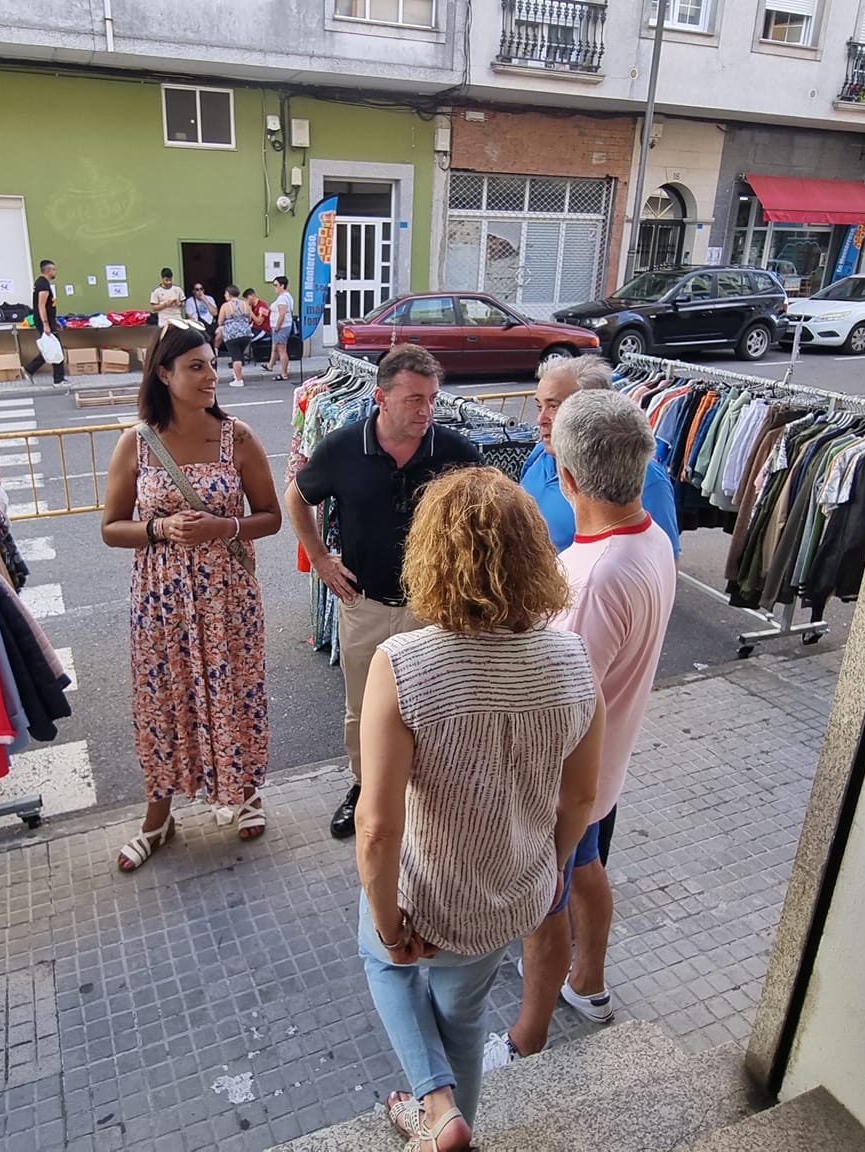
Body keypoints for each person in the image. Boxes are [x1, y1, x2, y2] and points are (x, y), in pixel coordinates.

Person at [355, 466, 605, 1152]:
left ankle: (436, 1107)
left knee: (382, 959)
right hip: (512, 893)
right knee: (462, 1019)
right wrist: (552, 866)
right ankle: (450, 1115)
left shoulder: (403, 663)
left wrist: (388, 923)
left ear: (430, 556)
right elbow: (580, 796)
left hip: (427, 893)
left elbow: (377, 829)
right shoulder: (574, 659)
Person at [486, 390, 679, 1070]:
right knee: (588, 867)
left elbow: (558, 710)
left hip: (566, 784)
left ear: (567, 479)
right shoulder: (649, 538)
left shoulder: (594, 578)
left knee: (547, 908)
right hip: (607, 771)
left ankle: (526, 1038)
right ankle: (589, 986)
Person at [99, 322, 282, 870]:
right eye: (196, 366)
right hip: (161, 602)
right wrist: (161, 531)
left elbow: (271, 517)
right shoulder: (137, 442)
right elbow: (111, 527)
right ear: (164, 374)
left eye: (212, 364)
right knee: (163, 703)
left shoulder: (238, 436)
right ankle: (159, 816)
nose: (211, 376)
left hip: (229, 599)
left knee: (234, 695)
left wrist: (221, 528)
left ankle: (245, 792)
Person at [286, 344, 482, 840]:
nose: (426, 410)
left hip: (433, 611)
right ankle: (364, 789)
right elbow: (297, 495)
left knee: (433, 705)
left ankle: (426, 794)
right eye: (414, 399)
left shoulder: (457, 452)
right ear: (381, 398)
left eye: (432, 399)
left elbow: (489, 518)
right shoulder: (343, 446)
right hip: (365, 606)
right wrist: (322, 560)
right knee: (362, 709)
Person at [520, 355, 681, 557]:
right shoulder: (539, 455)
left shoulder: (645, 479)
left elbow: (663, 562)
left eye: (554, 406)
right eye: (539, 406)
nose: (541, 419)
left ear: (592, 410)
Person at [24, 258, 66, 385]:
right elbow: (41, 305)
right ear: (48, 270)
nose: (55, 272)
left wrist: (55, 320)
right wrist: (46, 324)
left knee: (51, 348)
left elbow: (48, 306)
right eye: (54, 269)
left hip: (48, 321)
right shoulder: (43, 284)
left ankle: (30, 369)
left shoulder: (42, 283)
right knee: (56, 349)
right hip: (44, 322)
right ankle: (58, 379)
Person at [217, 285, 253, 388]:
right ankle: (237, 374)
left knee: (235, 356)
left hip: (232, 334)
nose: (224, 295)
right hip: (245, 333)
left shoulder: (226, 306)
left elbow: (220, 321)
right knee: (240, 354)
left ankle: (238, 379)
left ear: (229, 293)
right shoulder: (245, 304)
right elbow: (250, 318)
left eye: (225, 293)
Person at [269, 275, 295, 381]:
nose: (274, 287)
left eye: (276, 285)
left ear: (282, 286)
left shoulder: (282, 298)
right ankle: (271, 365)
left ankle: (284, 373)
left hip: (281, 327)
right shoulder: (288, 296)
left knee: (282, 350)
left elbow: (282, 314)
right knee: (279, 348)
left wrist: (277, 328)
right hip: (285, 325)